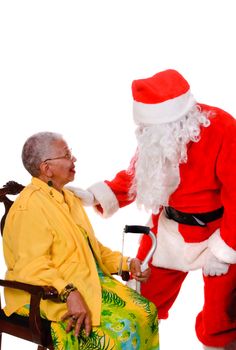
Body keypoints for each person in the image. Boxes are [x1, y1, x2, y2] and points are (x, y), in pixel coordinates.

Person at [70, 69, 236, 350]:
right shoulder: (158, 135)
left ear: (176, 118)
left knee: (220, 315)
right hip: (169, 230)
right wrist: (96, 195)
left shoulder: (223, 128)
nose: (145, 134)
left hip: (217, 232)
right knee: (141, 300)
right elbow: (139, 175)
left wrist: (225, 249)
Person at [2, 131, 159, 350]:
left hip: (87, 282)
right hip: (48, 295)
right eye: (66, 155)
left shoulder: (69, 198)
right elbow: (30, 267)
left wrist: (127, 262)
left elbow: (92, 249)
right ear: (46, 168)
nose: (73, 159)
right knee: (118, 334)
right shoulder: (29, 208)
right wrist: (69, 293)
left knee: (147, 312)